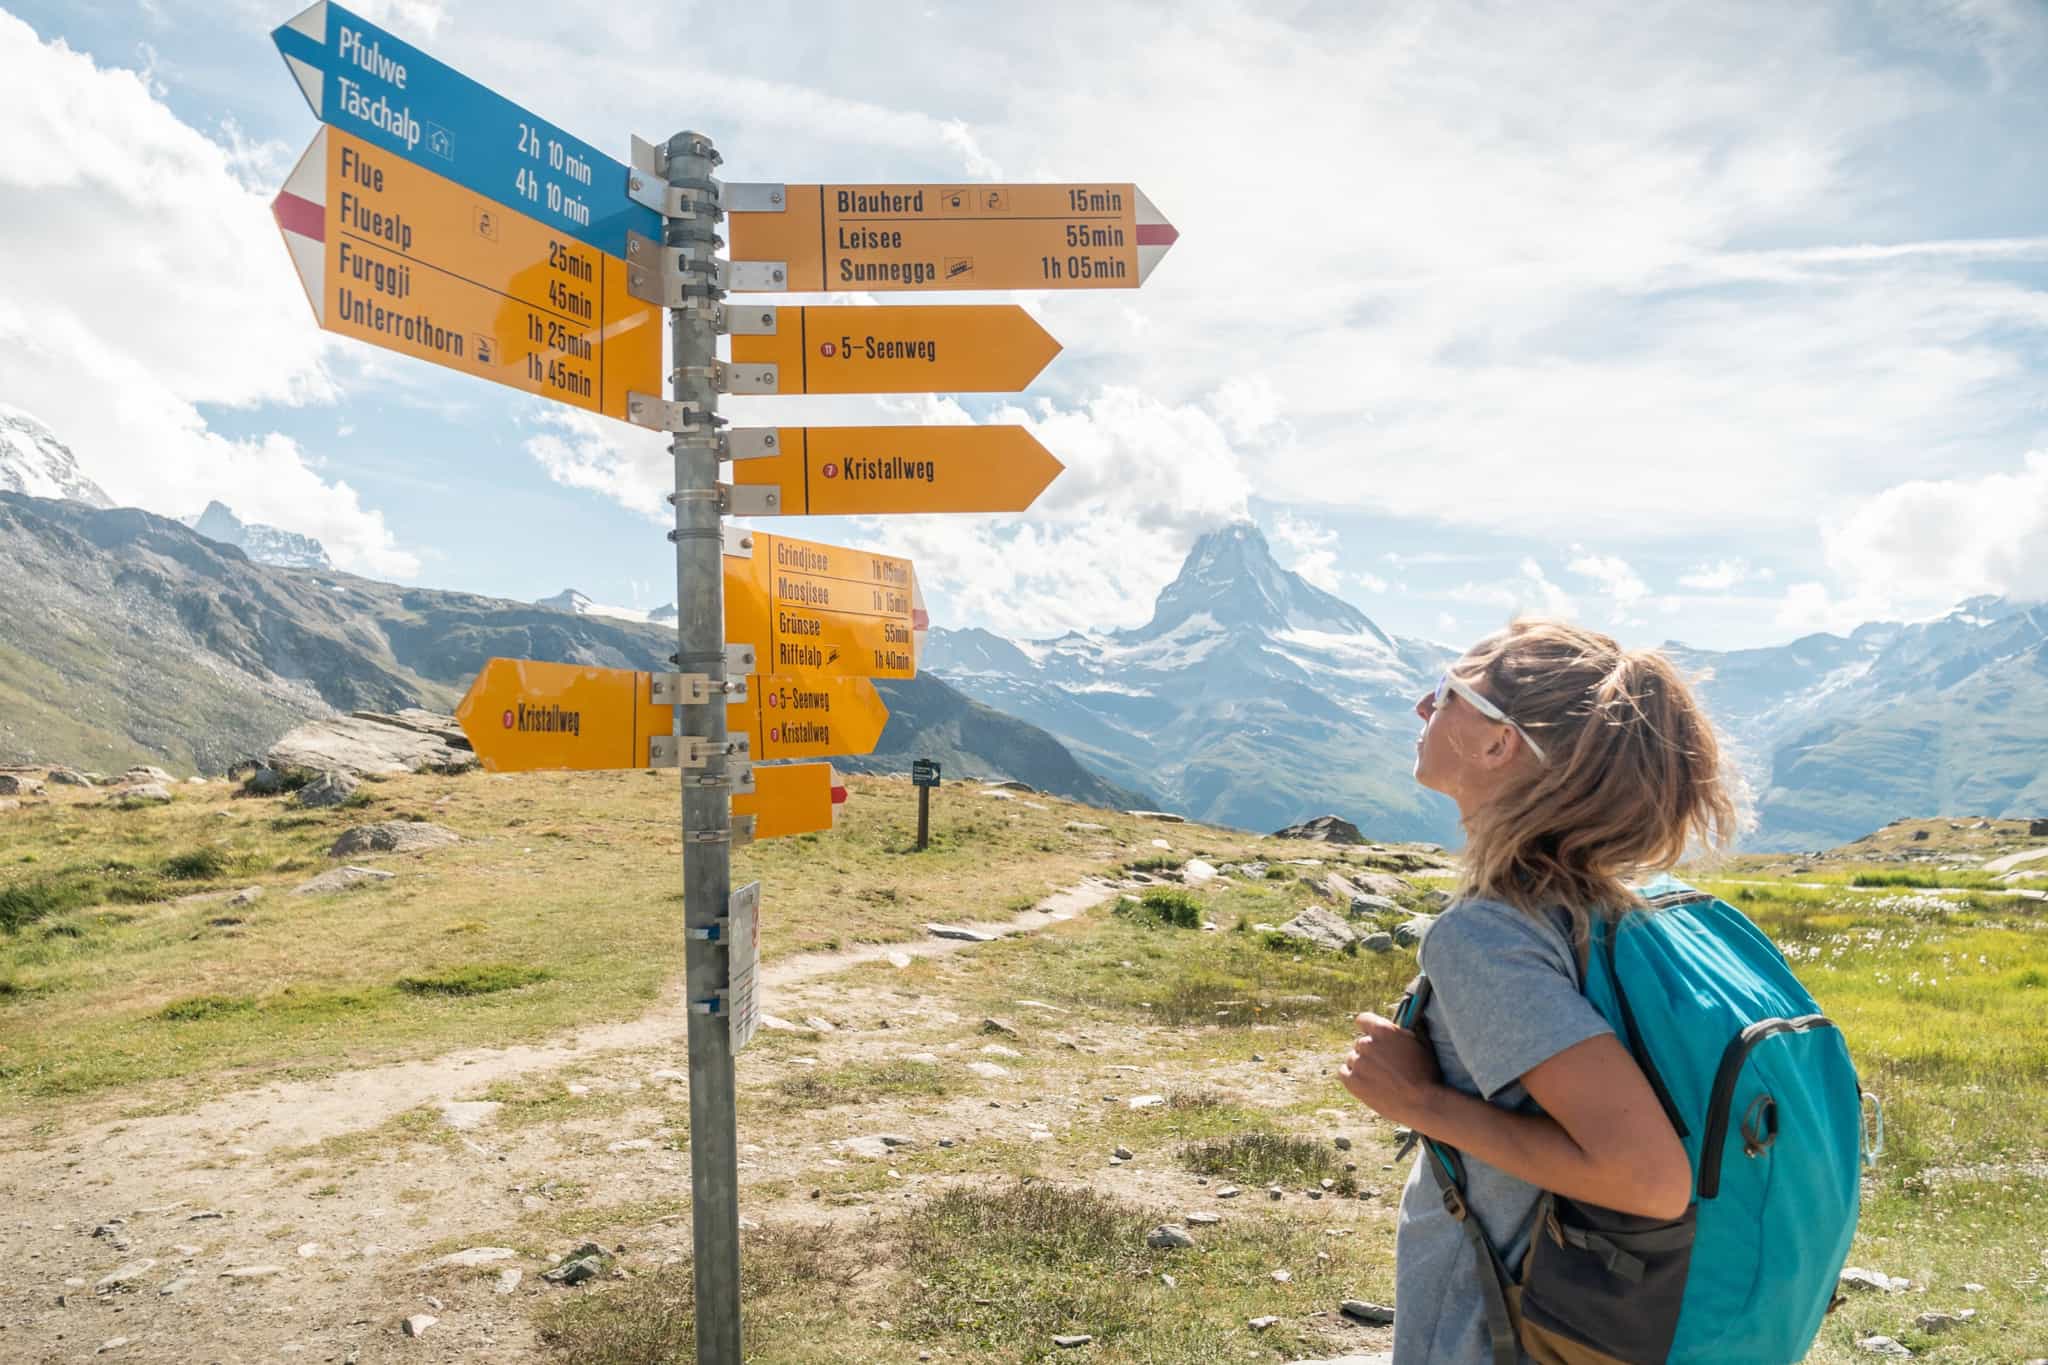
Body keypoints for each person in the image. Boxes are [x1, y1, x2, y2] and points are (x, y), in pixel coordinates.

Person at [1337, 618, 1739, 1364]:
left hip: (1498, 1330)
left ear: (1499, 742)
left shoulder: (1489, 935)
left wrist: (1421, 1102)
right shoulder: (1611, 907)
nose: (1424, 708)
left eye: (1449, 692)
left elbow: (1649, 1178)